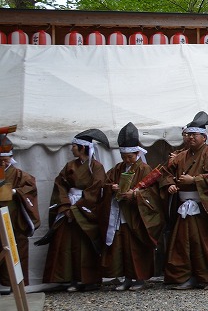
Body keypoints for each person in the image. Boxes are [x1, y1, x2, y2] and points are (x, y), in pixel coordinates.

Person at [161, 112, 208, 291]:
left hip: (203, 207)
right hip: (183, 207)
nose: (191, 138)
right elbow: (166, 173)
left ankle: (207, 278)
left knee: (203, 243)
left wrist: (195, 180)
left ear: (204, 137)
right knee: (182, 243)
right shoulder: (180, 156)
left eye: (195, 135)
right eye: (188, 134)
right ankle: (186, 277)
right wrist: (170, 184)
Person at [41, 129, 109, 292]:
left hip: (84, 209)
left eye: (74, 146)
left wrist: (78, 206)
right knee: (67, 243)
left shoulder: (96, 167)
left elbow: (96, 189)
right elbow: (60, 184)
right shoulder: (70, 166)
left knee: (85, 245)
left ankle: (89, 279)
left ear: (82, 148)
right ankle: (71, 278)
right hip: (69, 206)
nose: (71, 149)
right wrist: (65, 205)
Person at [102, 123, 164, 291]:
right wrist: (112, 187)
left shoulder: (144, 169)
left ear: (137, 153)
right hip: (121, 212)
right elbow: (106, 182)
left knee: (136, 246)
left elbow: (153, 192)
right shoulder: (118, 168)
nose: (127, 160)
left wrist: (136, 195)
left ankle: (140, 278)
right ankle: (127, 277)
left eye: (130, 157)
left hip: (137, 214)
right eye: (124, 157)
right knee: (122, 245)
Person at [0, 135, 39, 295]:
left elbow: (31, 187)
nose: (3, 163)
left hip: (15, 218)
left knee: (17, 248)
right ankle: (3, 283)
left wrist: (16, 192)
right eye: (1, 160)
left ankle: (16, 284)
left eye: (5, 160)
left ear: (11, 158)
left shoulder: (19, 174)